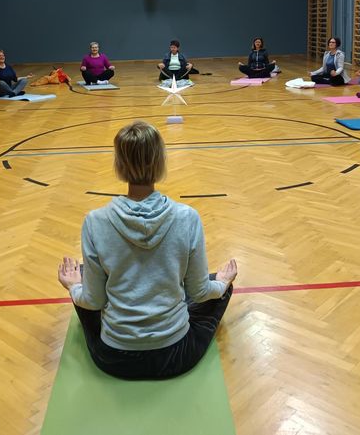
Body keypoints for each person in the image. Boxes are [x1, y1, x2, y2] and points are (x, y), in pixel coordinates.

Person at [57, 121, 238, 379]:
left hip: (114, 357)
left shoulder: (95, 221)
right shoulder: (187, 217)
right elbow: (199, 292)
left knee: (85, 279)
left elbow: (94, 301)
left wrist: (73, 287)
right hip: (176, 354)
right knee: (218, 287)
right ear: (161, 163)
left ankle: (81, 285)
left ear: (118, 165)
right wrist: (222, 283)